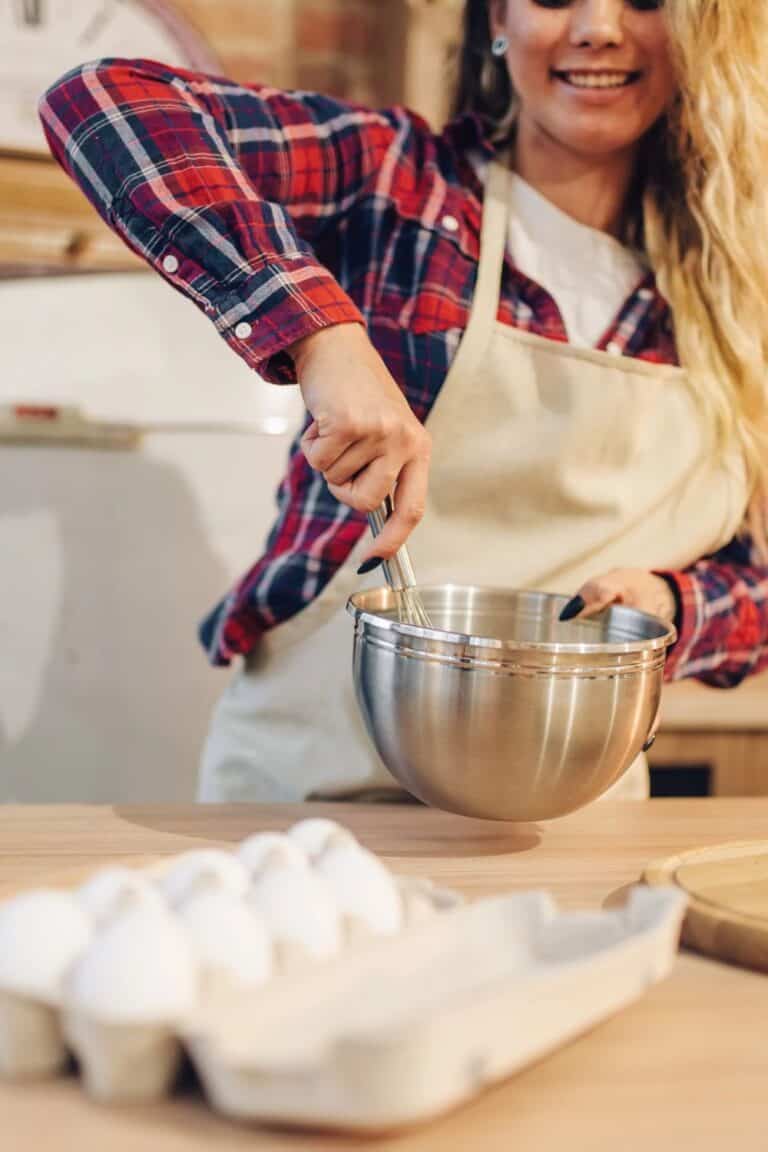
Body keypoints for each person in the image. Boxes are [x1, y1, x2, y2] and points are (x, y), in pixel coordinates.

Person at [40, 0, 768, 804]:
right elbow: (103, 100)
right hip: (308, 802)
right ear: (497, 19)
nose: (597, 27)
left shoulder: (737, 289)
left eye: (646, 0)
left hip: (573, 823)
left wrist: (672, 605)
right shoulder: (399, 181)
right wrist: (323, 334)